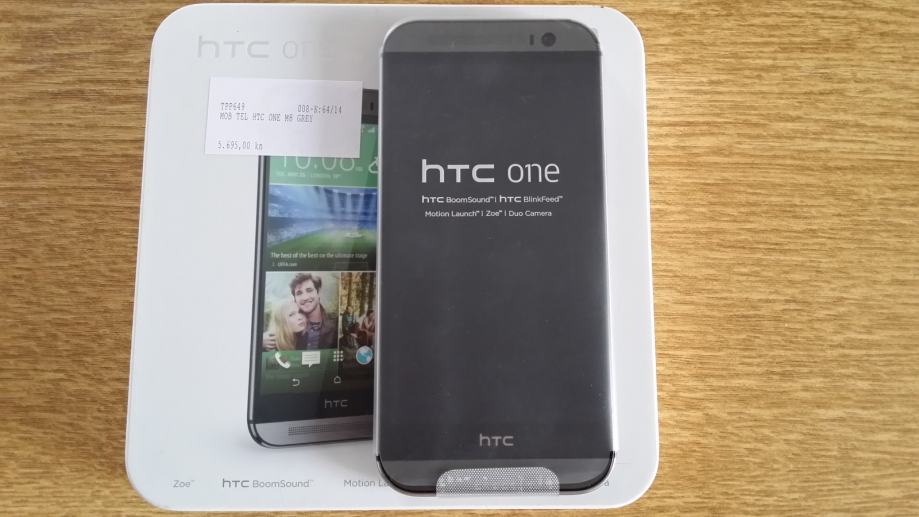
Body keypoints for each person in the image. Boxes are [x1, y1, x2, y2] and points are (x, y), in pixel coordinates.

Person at [290, 273, 338, 349]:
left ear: (318, 293)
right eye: (299, 293)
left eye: (309, 290)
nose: (305, 297)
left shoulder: (336, 323)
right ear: (295, 299)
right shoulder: (291, 326)